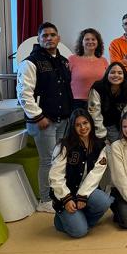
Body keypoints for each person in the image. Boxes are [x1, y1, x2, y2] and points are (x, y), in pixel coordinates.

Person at [17, 22, 74, 213]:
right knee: (47, 161)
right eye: (45, 35)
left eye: (52, 35)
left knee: (59, 159)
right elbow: (24, 93)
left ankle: (58, 194)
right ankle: (45, 199)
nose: (49, 38)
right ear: (39, 39)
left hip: (62, 119)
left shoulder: (63, 61)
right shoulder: (31, 62)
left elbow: (66, 90)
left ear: (58, 38)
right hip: (43, 121)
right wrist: (38, 116)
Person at [49, 109, 113, 237]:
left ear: (90, 123)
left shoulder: (99, 146)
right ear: (73, 127)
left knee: (104, 201)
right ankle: (62, 221)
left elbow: (96, 174)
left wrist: (82, 195)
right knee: (80, 232)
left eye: (85, 123)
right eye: (78, 125)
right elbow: (55, 177)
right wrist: (66, 199)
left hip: (86, 191)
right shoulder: (64, 146)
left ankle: (79, 219)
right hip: (66, 194)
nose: (83, 127)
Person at [88, 62, 127, 143]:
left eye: (120, 73)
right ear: (107, 74)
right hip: (99, 124)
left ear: (124, 75)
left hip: (119, 124)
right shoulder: (98, 87)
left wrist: (125, 131)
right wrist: (101, 134)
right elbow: (94, 113)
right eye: (112, 72)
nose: (116, 75)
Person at [68, 28, 108, 108]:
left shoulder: (103, 60)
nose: (90, 41)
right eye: (87, 39)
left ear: (98, 42)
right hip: (77, 103)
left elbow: (107, 82)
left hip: (99, 102)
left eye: (93, 39)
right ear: (82, 42)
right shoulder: (72, 59)